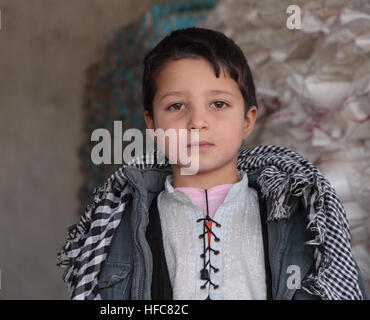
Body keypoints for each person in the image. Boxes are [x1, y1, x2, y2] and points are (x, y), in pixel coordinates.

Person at [57, 27, 369, 300]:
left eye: (218, 104)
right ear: (151, 125)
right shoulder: (117, 230)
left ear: (248, 120)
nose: (197, 122)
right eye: (176, 105)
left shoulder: (303, 221)